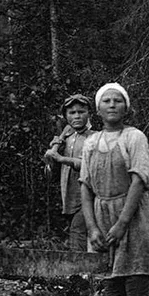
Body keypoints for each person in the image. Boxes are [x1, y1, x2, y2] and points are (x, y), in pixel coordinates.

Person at [79, 82, 149, 296]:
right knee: (111, 285)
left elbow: (139, 181)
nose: (112, 105)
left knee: (137, 283)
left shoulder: (135, 137)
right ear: (98, 109)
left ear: (126, 107)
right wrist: (92, 228)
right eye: (106, 101)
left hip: (133, 216)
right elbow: (85, 187)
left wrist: (121, 224)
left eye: (117, 100)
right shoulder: (91, 142)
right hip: (101, 216)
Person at [43, 94, 93, 251]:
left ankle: (79, 265)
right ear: (66, 116)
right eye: (72, 113)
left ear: (89, 114)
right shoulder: (66, 139)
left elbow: (87, 165)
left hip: (89, 196)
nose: (77, 116)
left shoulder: (94, 137)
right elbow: (51, 174)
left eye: (81, 112)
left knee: (77, 233)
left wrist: (60, 158)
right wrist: (51, 159)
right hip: (70, 197)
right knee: (80, 235)